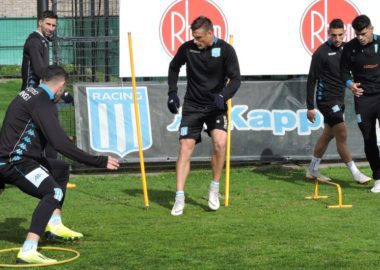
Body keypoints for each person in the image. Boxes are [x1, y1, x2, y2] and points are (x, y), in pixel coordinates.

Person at [0, 65, 120, 264]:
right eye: (64, 90)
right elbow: (60, 144)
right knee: (53, 192)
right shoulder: (42, 102)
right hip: (14, 162)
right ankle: (28, 250)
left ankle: (54, 224)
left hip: (13, 158)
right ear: (61, 85)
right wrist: (98, 161)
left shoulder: (29, 93)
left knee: (61, 169)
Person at [167, 16, 241, 216]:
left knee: (219, 143)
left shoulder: (226, 50)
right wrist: (172, 93)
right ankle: (179, 197)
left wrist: (223, 96)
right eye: (193, 37)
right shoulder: (188, 48)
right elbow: (174, 67)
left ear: (210, 33)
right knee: (185, 147)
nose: (195, 41)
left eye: (199, 38)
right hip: (192, 106)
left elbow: (235, 79)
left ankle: (214, 189)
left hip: (216, 106)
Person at [306, 18, 371, 184]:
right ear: (328, 33)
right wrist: (310, 107)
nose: (337, 38)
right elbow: (311, 79)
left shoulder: (347, 49)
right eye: (334, 35)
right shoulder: (320, 53)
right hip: (325, 100)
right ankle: (355, 172)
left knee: (328, 134)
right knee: (341, 132)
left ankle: (312, 169)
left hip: (339, 98)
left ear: (344, 33)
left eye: (340, 35)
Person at [341, 15, 380, 192]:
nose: (360, 37)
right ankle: (378, 178)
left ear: (371, 29)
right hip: (363, 98)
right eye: (357, 34)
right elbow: (343, 72)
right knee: (368, 138)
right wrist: (350, 85)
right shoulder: (350, 48)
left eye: (363, 33)